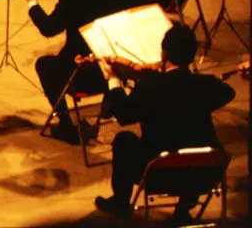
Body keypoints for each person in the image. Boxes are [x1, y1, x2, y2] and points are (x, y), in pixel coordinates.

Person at [95, 24, 236, 223]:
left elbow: (124, 115)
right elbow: (227, 92)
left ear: (163, 52)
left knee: (123, 140)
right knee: (196, 150)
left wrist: (114, 80)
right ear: (192, 55)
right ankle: (183, 210)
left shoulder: (150, 86)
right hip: (203, 176)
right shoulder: (206, 85)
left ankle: (120, 202)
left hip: (158, 176)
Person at [19, 0, 132, 145]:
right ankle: (109, 101)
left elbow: (49, 28)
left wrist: (32, 2)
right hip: (115, 71)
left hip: (81, 75)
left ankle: (65, 123)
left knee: (44, 65)